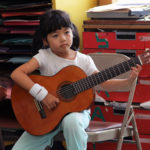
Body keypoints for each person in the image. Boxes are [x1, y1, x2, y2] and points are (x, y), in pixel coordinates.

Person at [10, 9, 142, 150]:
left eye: (67, 32)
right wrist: (43, 95)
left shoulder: (84, 60)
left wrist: (128, 81)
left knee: (71, 121)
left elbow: (103, 82)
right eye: (55, 35)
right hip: (47, 115)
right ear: (45, 41)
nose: (63, 38)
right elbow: (17, 74)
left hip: (78, 113)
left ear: (72, 32)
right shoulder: (44, 56)